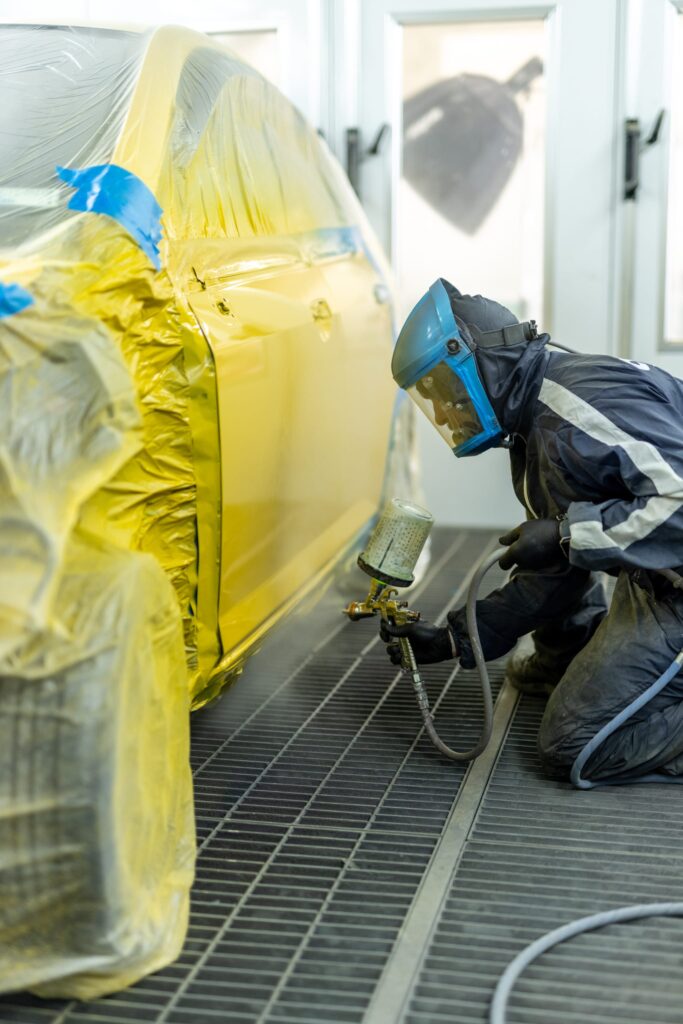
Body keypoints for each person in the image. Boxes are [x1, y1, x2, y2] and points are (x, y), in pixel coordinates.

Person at [382, 278, 683, 784]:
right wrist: (457, 639)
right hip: (656, 572)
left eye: (444, 391)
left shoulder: (578, 410)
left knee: (575, 744)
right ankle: (581, 658)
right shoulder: (534, 422)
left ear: (482, 363)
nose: (441, 412)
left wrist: (567, 534)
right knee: (560, 551)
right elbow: (556, 570)